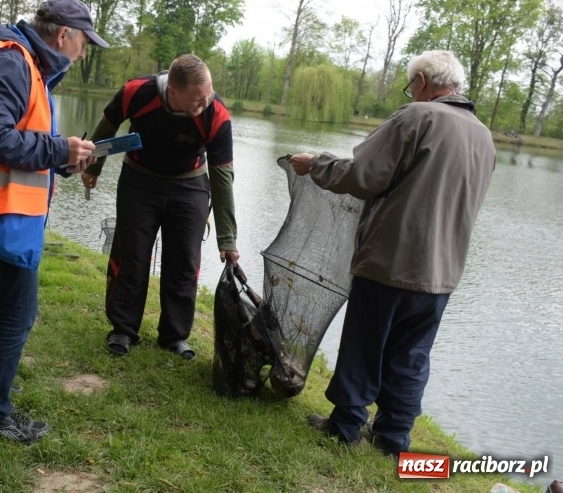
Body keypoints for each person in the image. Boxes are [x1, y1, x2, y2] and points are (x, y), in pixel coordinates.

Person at [289, 50, 496, 457]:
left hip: (390, 261)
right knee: (412, 356)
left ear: (421, 81)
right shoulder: (483, 136)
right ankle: (392, 439)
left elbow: (363, 175)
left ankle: (346, 425)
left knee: (365, 343)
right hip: (442, 273)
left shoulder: (416, 117)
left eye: (410, 85)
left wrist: (316, 164)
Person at [0, 0, 107, 446]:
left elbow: (24, 139)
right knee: (18, 310)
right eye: (84, 41)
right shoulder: (11, 61)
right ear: (64, 34)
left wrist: (66, 159)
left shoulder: (28, 64)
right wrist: (55, 150)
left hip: (5, 208)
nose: (84, 52)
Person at [81, 54, 240, 360]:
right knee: (132, 256)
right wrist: (93, 169)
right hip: (140, 180)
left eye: (208, 94)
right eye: (197, 99)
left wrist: (228, 239)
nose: (204, 103)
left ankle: (174, 335)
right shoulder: (136, 92)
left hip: (190, 184)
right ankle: (123, 330)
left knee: (183, 263)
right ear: (172, 92)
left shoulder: (215, 114)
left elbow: (222, 178)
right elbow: (107, 125)